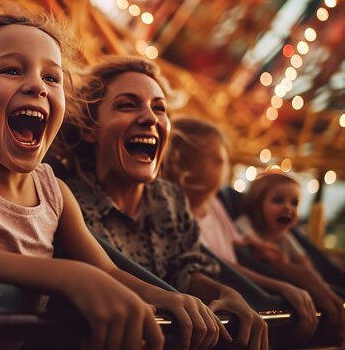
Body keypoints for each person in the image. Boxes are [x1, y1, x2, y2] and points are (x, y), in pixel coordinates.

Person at [0, 12, 238, 350]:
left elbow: (109, 271)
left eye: (52, 77)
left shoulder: (54, 191)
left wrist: (167, 298)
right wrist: (72, 276)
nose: (37, 86)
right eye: (12, 70)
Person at [57, 55, 268, 349]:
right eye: (127, 105)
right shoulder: (65, 201)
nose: (150, 118)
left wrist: (224, 293)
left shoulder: (169, 199)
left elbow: (184, 268)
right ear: (90, 129)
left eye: (159, 108)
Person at [163, 117, 319, 340]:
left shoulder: (214, 204)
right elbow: (214, 262)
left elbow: (238, 243)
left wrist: (263, 249)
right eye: (218, 161)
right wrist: (281, 285)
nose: (225, 167)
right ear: (186, 169)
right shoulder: (174, 212)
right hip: (220, 305)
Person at [236, 170, 345, 343]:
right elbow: (244, 243)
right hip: (262, 283)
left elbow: (306, 264)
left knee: (316, 281)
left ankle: (336, 312)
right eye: (278, 201)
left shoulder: (286, 237)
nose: (288, 207)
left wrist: (310, 278)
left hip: (289, 278)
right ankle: (336, 315)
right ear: (257, 204)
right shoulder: (245, 224)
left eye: (294, 203)